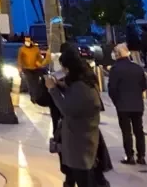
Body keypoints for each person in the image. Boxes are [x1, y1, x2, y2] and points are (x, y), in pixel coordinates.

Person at [45, 43, 104, 187]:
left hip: (80, 141)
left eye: (64, 68)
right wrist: (61, 86)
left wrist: (53, 89)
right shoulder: (85, 82)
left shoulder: (80, 87)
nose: (63, 71)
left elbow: (67, 109)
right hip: (83, 139)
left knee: (84, 178)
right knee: (80, 176)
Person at [107, 42, 147, 165]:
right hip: (137, 104)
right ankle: (141, 156)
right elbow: (143, 86)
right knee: (139, 131)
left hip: (122, 105)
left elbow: (112, 89)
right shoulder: (137, 68)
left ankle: (130, 156)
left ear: (117, 54)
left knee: (126, 132)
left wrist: (116, 102)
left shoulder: (115, 69)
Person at [17, 35, 49, 103]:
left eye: (28, 40)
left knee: (36, 84)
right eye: (26, 41)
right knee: (30, 84)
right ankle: (33, 98)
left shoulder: (36, 49)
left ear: (31, 41)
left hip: (36, 68)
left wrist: (40, 64)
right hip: (27, 69)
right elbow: (19, 59)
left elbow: (39, 58)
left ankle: (36, 97)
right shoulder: (22, 49)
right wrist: (19, 68)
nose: (27, 42)